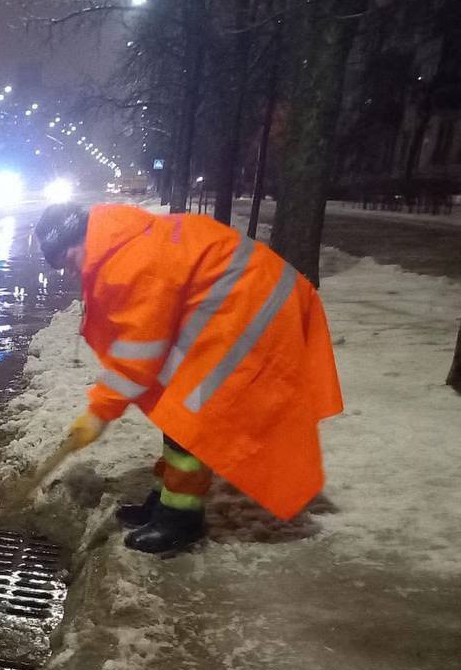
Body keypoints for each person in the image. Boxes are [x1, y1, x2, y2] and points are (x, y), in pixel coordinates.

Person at [33, 202, 344, 554]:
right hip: (238, 306)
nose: (72, 272)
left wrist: (99, 412)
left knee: (190, 411)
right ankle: (169, 500)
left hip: (254, 315)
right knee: (178, 404)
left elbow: (139, 354)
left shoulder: (131, 262)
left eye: (68, 260)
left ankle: (180, 520)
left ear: (79, 240)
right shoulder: (120, 242)